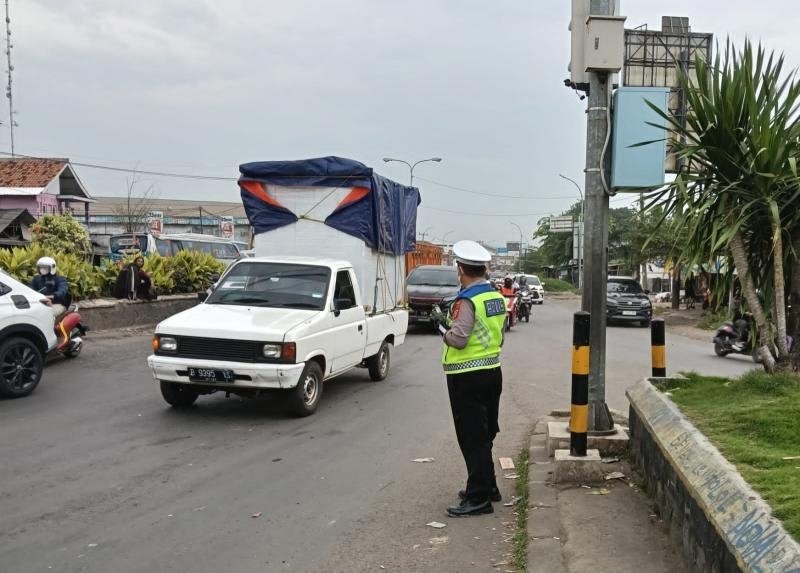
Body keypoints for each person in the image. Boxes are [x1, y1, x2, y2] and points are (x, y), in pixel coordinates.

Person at [437, 240, 506, 518]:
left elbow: (460, 339)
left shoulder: (466, 300)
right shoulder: (494, 296)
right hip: (492, 371)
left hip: (467, 376)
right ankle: (488, 486)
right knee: (485, 433)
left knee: (472, 437)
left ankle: (478, 498)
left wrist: (442, 328)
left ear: (461, 270)